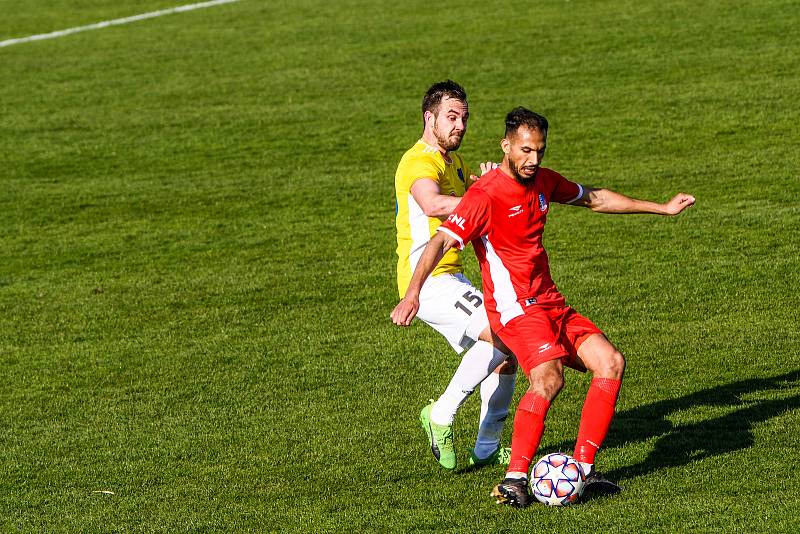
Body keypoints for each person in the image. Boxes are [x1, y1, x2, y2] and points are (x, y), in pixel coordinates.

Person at [391, 107, 695, 506]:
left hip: (550, 302)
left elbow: (596, 199)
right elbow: (440, 241)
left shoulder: (543, 182)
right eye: (525, 150)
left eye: (540, 151)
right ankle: (515, 477)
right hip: (516, 309)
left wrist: (662, 207)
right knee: (548, 379)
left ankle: (583, 472)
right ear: (506, 146)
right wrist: (413, 292)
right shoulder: (484, 196)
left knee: (611, 362)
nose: (533, 159)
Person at [394, 80, 517, 471]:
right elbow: (432, 204)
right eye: (451, 117)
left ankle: (485, 446)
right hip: (427, 280)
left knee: (506, 356)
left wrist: (493, 184)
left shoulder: (456, 164)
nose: (460, 125)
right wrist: (487, 197)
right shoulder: (419, 162)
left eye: (464, 118)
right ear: (429, 118)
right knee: (506, 335)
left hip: (454, 279)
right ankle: (441, 414)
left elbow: (475, 213)